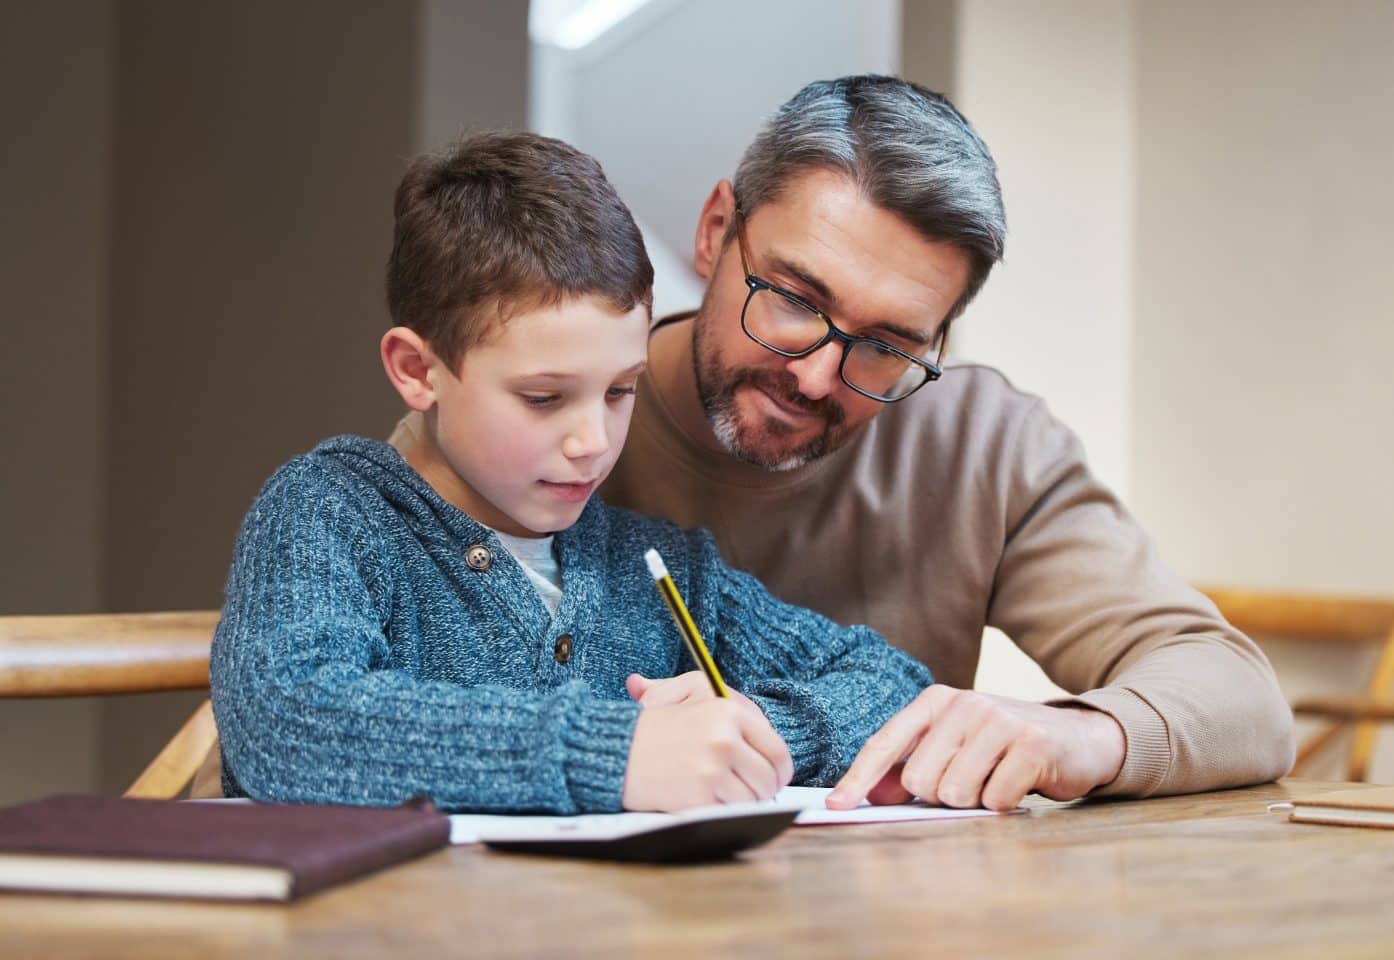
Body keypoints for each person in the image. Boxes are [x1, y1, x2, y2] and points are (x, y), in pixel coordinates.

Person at [399, 76, 1294, 813]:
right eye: (793, 297)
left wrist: (1083, 733)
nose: (819, 376)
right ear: (716, 232)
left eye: (889, 344)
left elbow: (1237, 695)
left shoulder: (986, 449)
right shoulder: (530, 437)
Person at [208, 131, 934, 814]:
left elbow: (892, 686)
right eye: (544, 397)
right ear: (417, 370)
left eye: (621, 391)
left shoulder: (654, 567)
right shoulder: (331, 512)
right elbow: (288, 723)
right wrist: (614, 751)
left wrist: (754, 726)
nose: (593, 442)